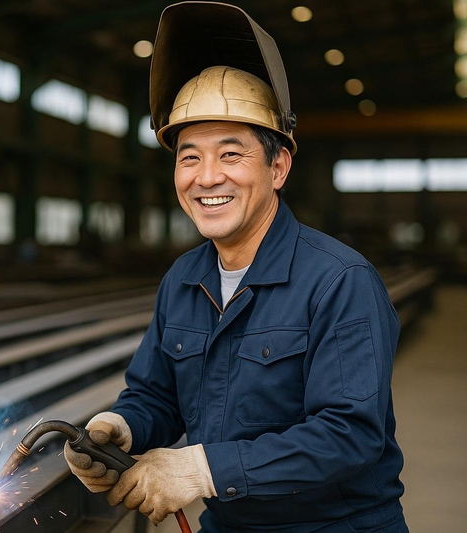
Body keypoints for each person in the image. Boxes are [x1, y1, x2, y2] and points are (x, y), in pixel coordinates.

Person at [64, 2, 408, 531]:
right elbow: (157, 394)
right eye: (189, 156)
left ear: (278, 166)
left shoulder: (340, 281)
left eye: (230, 154)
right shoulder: (183, 280)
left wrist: (201, 470)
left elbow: (350, 435)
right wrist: (121, 427)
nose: (206, 178)